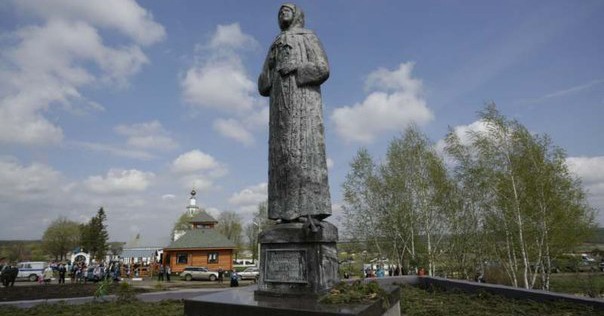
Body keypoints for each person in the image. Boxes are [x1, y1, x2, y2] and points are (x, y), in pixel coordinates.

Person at [258, 3, 331, 226]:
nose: (282, 13)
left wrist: (296, 68)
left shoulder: (308, 37)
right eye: (279, 11)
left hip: (304, 109)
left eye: (287, 9)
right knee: (282, 158)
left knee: (305, 154)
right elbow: (262, 86)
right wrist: (270, 68)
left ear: (297, 14)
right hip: (279, 112)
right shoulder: (275, 44)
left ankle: (310, 209)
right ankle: (284, 210)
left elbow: (322, 68)